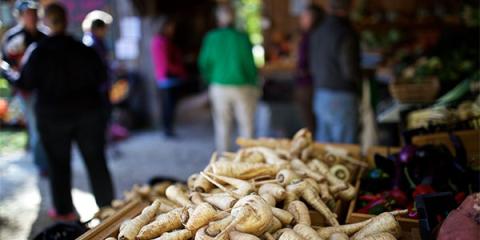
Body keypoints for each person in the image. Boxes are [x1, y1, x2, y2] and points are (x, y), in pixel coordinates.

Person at [11, 3, 114, 221]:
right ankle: (108, 207)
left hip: (53, 119)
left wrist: (7, 72)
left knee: (58, 164)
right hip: (88, 115)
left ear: (45, 21)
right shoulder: (84, 49)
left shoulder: (37, 52)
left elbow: (25, 83)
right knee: (96, 161)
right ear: (66, 20)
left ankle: (64, 210)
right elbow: (102, 77)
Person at [199, 5, 259, 152]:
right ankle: (248, 160)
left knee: (222, 125)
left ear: (218, 20)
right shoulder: (242, 38)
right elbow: (250, 65)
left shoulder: (211, 38)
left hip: (219, 86)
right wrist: (254, 83)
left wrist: (209, 79)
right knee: (246, 125)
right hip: (243, 86)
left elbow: (204, 63)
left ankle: (223, 160)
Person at [1, 0, 48, 176]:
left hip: (47, 90)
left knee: (48, 126)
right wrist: (16, 81)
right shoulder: (13, 38)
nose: (31, 17)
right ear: (20, 16)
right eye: (28, 14)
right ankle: (43, 165)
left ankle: (50, 160)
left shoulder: (45, 36)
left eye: (34, 13)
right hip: (28, 90)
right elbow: (6, 64)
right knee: (36, 128)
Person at [310, 0, 360, 143]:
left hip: (320, 94)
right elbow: (349, 69)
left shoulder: (317, 31)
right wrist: (359, 81)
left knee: (324, 148)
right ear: (348, 7)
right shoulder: (345, 33)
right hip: (341, 95)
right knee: (345, 149)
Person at [151, 18, 186, 137]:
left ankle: (168, 129)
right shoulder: (162, 42)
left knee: (168, 105)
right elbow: (166, 63)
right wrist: (180, 72)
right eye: (170, 27)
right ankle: (168, 130)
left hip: (165, 77)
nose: (172, 30)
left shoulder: (159, 41)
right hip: (169, 78)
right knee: (169, 106)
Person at [295, 4, 324, 134]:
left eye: (305, 16)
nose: (302, 19)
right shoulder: (309, 35)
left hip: (309, 85)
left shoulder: (313, 36)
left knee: (311, 124)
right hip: (308, 83)